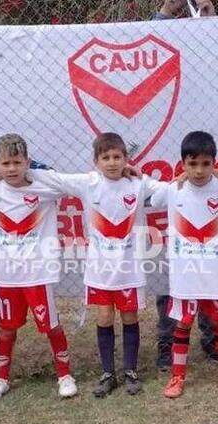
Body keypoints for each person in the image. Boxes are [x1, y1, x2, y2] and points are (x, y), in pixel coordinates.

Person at [30, 132, 166, 397]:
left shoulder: (137, 184)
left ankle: (130, 371)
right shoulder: (88, 183)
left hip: (129, 269)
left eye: (117, 157)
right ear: (96, 161)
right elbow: (53, 178)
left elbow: (167, 191)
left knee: (130, 317)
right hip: (100, 271)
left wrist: (142, 175)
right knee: (104, 317)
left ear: (126, 159)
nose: (112, 163)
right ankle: (107, 373)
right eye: (106, 158)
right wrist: (25, 165)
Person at [150, 131, 218, 399]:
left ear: (214, 163)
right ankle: (177, 376)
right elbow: (152, 200)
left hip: (216, 272)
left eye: (205, 164)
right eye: (192, 164)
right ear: (182, 164)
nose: (199, 170)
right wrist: (171, 182)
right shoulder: (171, 190)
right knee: (183, 323)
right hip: (185, 274)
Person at [0, 134, 79, 404]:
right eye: (5, 163)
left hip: (38, 275)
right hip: (7, 276)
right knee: (7, 330)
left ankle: (65, 375)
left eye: (17, 162)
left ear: (27, 162)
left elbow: (84, 184)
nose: (11, 169)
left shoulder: (45, 184)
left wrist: (40, 170)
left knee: (51, 327)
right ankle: (1, 378)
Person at [152, 0, 218, 369]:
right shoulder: (157, 64)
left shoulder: (206, 70)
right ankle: (167, 347)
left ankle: (212, 342)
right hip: (171, 183)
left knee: (207, 276)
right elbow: (149, 37)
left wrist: (210, 21)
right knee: (171, 280)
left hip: (201, 171)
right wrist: (165, 12)